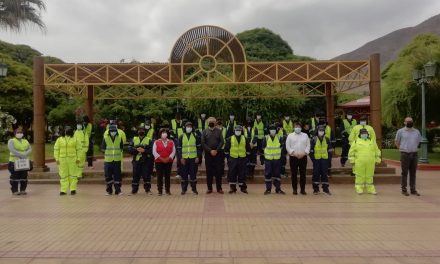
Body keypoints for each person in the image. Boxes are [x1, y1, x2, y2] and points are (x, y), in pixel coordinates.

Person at [349, 128, 381, 195]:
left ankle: (371, 189)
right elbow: (351, 152)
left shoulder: (372, 141)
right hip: (359, 162)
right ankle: (359, 189)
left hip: (370, 162)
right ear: (360, 134)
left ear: (368, 134)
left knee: (370, 176)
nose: (364, 134)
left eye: (365, 133)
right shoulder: (356, 142)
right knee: (360, 176)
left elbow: (377, 151)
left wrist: (378, 159)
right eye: (363, 133)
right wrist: (352, 160)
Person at [395, 117, 422, 196]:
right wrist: (401, 148)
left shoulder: (416, 131)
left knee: (413, 173)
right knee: (404, 172)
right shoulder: (400, 131)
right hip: (405, 154)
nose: (409, 122)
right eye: (408, 121)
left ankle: (413, 190)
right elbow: (396, 142)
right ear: (404, 122)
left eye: (411, 121)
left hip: (414, 154)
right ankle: (404, 190)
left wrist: (413, 148)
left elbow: (418, 142)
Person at [177, 122, 202, 195]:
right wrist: (181, 158)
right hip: (184, 158)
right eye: (187, 126)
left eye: (190, 126)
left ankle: (194, 189)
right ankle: (184, 189)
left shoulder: (195, 136)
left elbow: (199, 148)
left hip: (193, 158)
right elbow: (179, 148)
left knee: (193, 174)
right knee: (184, 174)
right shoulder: (181, 136)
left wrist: (198, 156)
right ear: (185, 127)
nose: (189, 128)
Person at [224, 125, 251, 194]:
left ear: (241, 131)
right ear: (234, 131)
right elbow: (226, 150)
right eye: (237, 130)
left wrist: (246, 158)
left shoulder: (244, 138)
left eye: (239, 130)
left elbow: (248, 149)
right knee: (232, 173)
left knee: (242, 173)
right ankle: (232, 188)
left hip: (242, 158)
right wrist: (229, 158)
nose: (238, 132)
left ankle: (243, 188)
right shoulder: (230, 139)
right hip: (233, 158)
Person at [54, 126, 81, 195]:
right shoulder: (59, 139)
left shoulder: (75, 139)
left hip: (73, 160)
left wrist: (78, 158)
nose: (67, 131)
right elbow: (56, 150)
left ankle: (73, 189)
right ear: (64, 131)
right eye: (66, 130)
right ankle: (63, 190)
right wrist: (56, 158)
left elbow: (79, 150)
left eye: (69, 130)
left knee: (73, 175)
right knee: (63, 175)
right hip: (62, 160)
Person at [286, 121, 310, 195]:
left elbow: (308, 146)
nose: (297, 128)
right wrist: (293, 153)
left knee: (303, 174)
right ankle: (295, 189)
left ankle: (302, 189)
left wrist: (305, 153)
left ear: (301, 127)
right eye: (296, 127)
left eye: (299, 127)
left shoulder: (305, 135)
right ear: (294, 127)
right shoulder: (290, 136)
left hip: (303, 157)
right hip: (293, 157)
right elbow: (287, 146)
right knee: (294, 174)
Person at [202, 117, 225, 194]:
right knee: (209, 172)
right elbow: (203, 143)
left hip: (218, 154)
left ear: (215, 123)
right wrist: (210, 150)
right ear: (207, 123)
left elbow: (222, 141)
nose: (211, 122)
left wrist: (216, 150)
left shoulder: (219, 131)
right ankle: (209, 188)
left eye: (213, 121)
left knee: (218, 171)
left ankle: (219, 188)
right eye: (210, 121)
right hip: (208, 154)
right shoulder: (204, 131)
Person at [128, 125, 153, 195]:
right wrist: (136, 150)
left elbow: (152, 150)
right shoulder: (134, 139)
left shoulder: (149, 139)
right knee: (135, 175)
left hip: (146, 160)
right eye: (139, 130)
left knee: (146, 175)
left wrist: (144, 150)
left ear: (145, 131)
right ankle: (134, 190)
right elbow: (129, 149)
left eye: (142, 130)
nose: (141, 132)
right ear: (137, 131)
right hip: (136, 160)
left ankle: (147, 190)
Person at [8, 127, 32, 195]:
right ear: (15, 133)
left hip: (24, 162)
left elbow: (30, 149)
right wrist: (21, 155)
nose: (19, 133)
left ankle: (23, 190)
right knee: (15, 176)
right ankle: (15, 190)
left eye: (21, 132)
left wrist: (25, 154)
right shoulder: (11, 141)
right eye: (18, 132)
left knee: (24, 176)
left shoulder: (25, 141)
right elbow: (12, 150)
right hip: (14, 161)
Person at [262, 124, 286, 195]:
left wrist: (282, 159)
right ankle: (268, 189)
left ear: (276, 130)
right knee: (268, 174)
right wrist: (263, 159)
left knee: (277, 174)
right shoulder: (265, 138)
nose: (273, 131)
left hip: (277, 159)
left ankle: (278, 189)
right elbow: (263, 149)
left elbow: (282, 149)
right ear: (269, 131)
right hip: (268, 160)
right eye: (271, 129)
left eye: (274, 129)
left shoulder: (279, 138)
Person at [101, 125, 124, 195]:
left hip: (117, 160)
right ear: (109, 132)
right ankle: (109, 190)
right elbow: (102, 148)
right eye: (111, 131)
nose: (113, 132)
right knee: (108, 176)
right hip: (108, 160)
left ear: (116, 131)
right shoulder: (105, 138)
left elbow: (121, 148)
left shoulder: (119, 138)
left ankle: (118, 190)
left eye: (114, 131)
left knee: (118, 176)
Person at [309, 126, 333, 195]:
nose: (321, 132)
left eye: (322, 131)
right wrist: (313, 160)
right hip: (316, 160)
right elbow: (311, 151)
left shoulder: (327, 139)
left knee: (324, 174)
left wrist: (328, 159)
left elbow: (330, 151)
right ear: (317, 131)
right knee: (316, 174)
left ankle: (325, 189)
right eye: (320, 130)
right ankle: (316, 189)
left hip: (325, 160)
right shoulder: (313, 139)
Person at [153, 128, 175, 196]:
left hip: (168, 162)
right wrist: (162, 159)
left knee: (167, 176)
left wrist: (168, 158)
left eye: (165, 132)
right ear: (160, 134)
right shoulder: (156, 142)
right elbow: (154, 152)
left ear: (167, 134)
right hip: (159, 162)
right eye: (162, 132)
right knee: (159, 176)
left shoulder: (171, 142)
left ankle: (167, 190)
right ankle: (160, 191)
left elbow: (173, 151)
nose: (164, 134)